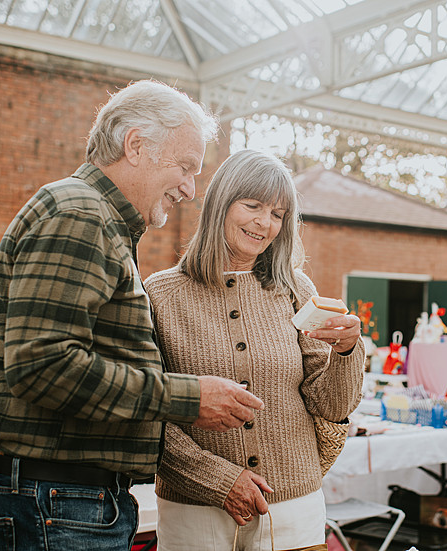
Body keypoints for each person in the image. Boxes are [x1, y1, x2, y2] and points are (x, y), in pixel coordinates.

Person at [0, 80, 265, 551]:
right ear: (136, 145)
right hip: (56, 502)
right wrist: (189, 398)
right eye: (185, 167)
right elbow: (42, 365)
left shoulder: (96, 217)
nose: (190, 188)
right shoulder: (82, 215)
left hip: (59, 499)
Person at [144, 149, 365, 550]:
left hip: (293, 509)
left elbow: (332, 407)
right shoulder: (161, 295)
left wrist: (347, 352)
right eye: (253, 206)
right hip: (195, 513)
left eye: (278, 214)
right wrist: (217, 479)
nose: (265, 223)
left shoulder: (297, 291)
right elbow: (149, 410)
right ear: (221, 205)